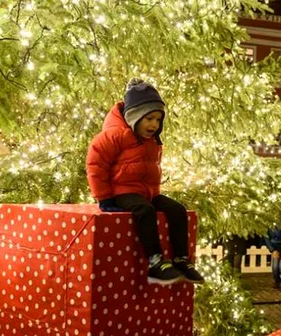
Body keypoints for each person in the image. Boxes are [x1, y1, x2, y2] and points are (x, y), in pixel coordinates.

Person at [86, 78, 204, 285]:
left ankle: (181, 259)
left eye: (158, 120)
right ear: (134, 117)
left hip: (148, 193)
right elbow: (96, 164)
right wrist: (104, 197)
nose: (154, 125)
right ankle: (155, 261)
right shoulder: (115, 136)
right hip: (121, 191)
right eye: (149, 118)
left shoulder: (151, 141)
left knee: (177, 210)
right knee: (144, 211)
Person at [264, 224, 281, 293]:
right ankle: (277, 281)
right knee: (275, 267)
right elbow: (267, 238)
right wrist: (272, 250)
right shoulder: (268, 225)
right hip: (275, 248)